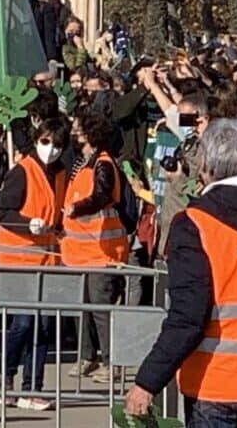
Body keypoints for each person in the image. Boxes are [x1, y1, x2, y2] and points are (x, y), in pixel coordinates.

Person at [127, 118, 237, 428]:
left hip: (217, 384)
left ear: (205, 164)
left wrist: (147, 381)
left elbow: (188, 316)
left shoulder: (195, 224)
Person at [0, 114, 70, 410]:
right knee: (23, 323)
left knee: (44, 326)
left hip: (48, 260)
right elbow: (1, 213)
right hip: (18, 261)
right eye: (45, 141)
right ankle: (6, 375)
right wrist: (28, 224)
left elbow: (58, 213)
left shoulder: (61, 173)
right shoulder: (22, 171)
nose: (50, 148)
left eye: (56, 144)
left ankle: (33, 387)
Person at [61, 108, 131, 383]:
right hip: (77, 249)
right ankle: (86, 356)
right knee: (80, 308)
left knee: (101, 308)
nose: (75, 131)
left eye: (80, 127)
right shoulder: (81, 161)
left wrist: (78, 208)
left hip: (101, 250)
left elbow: (102, 195)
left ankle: (110, 361)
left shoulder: (103, 163)